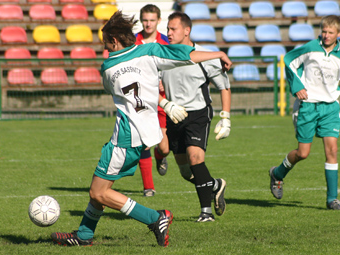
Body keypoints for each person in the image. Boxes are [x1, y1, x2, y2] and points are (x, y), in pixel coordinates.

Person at [51, 11, 232, 246]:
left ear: (114, 41)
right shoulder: (150, 51)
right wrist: (219, 53)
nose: (105, 48)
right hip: (146, 133)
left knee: (98, 192)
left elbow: (116, 87)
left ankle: (155, 218)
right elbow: (187, 55)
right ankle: (84, 235)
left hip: (125, 137)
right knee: (101, 189)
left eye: (105, 43)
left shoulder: (108, 67)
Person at [269, 15, 340, 210]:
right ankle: (277, 174)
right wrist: (297, 85)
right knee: (303, 153)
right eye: (324, 31)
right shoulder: (311, 47)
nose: (326, 35)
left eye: (330, 32)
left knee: (332, 150)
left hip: (330, 107)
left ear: (339, 33)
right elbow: (288, 61)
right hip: (307, 106)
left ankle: (332, 200)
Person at [159, 12, 232, 222]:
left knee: (195, 159)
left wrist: (225, 117)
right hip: (173, 116)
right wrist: (165, 101)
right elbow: (151, 84)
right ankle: (216, 185)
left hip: (198, 113)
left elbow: (224, 87)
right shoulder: (163, 55)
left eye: (173, 29)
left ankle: (206, 213)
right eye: (167, 29)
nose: (169, 33)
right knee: (185, 171)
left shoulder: (205, 56)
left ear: (186, 31)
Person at [134, 4, 173, 197]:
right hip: (141, 99)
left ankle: (160, 157)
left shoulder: (166, 42)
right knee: (145, 143)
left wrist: (166, 83)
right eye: (145, 20)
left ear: (158, 21)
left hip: (162, 100)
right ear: (141, 21)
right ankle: (148, 187)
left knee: (165, 147)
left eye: (152, 20)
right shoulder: (133, 42)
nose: (148, 24)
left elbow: (174, 67)